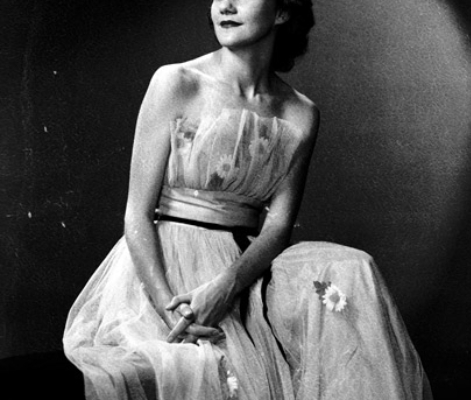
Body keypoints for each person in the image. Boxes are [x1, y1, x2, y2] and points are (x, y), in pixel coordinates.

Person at [63, 0, 433, 399]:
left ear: (282, 12)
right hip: (162, 274)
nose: (226, 5)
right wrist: (170, 308)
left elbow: (278, 227)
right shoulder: (176, 82)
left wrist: (226, 287)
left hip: (242, 275)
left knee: (353, 271)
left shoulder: (300, 113)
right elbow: (136, 214)